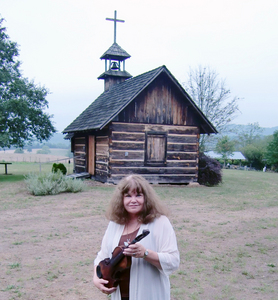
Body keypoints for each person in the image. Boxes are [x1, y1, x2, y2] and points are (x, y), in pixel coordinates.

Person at [93, 175, 180, 300]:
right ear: (121, 199)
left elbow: (173, 261)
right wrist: (96, 279)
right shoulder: (115, 224)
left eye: (138, 195)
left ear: (146, 198)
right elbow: (102, 256)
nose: (133, 200)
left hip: (149, 294)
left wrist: (145, 253)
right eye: (128, 196)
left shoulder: (160, 222)